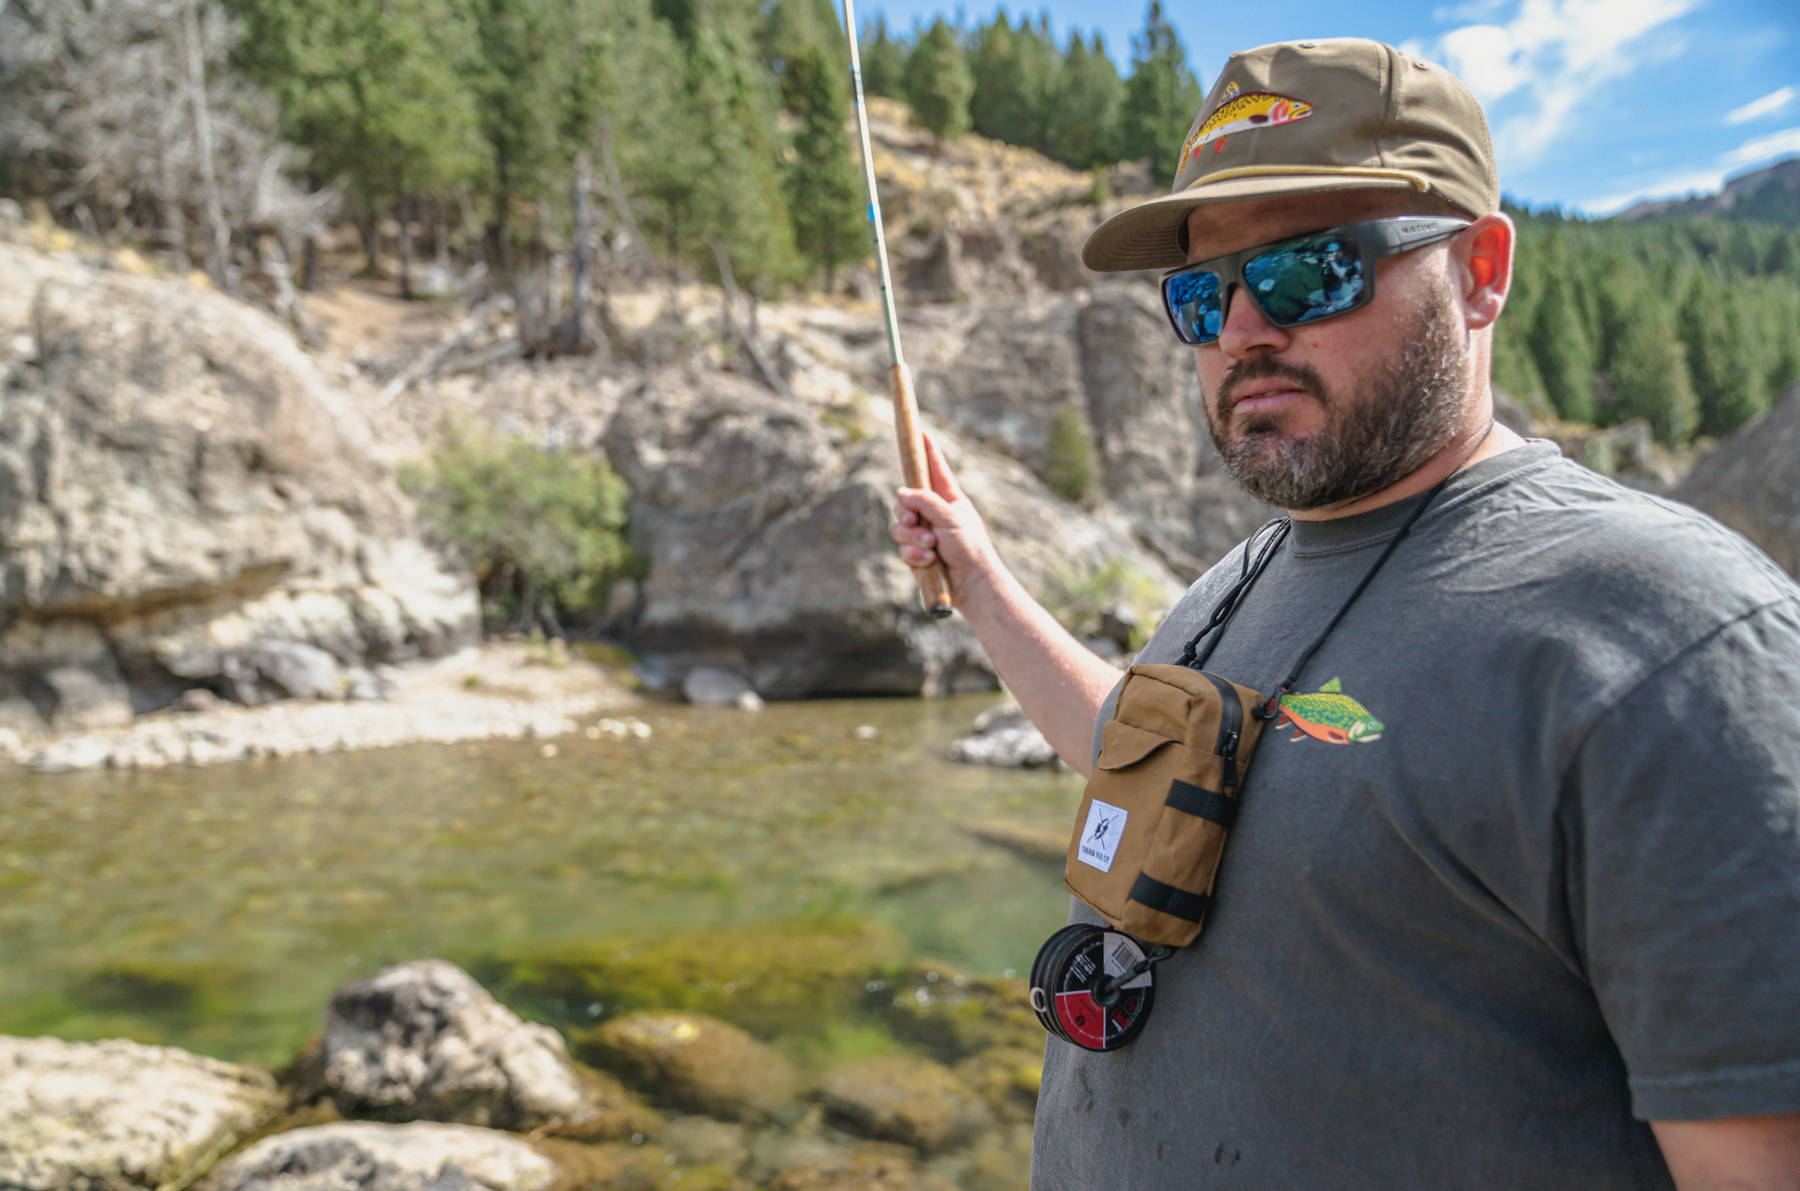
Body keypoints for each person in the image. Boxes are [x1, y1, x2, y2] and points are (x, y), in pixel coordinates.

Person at [889, 37, 1800, 1191]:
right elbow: (1142, 757)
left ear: (1480, 270)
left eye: (1307, 273)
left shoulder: (1671, 643)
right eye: (1202, 293)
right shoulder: (1250, 574)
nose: (1241, 331)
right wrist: (979, 582)